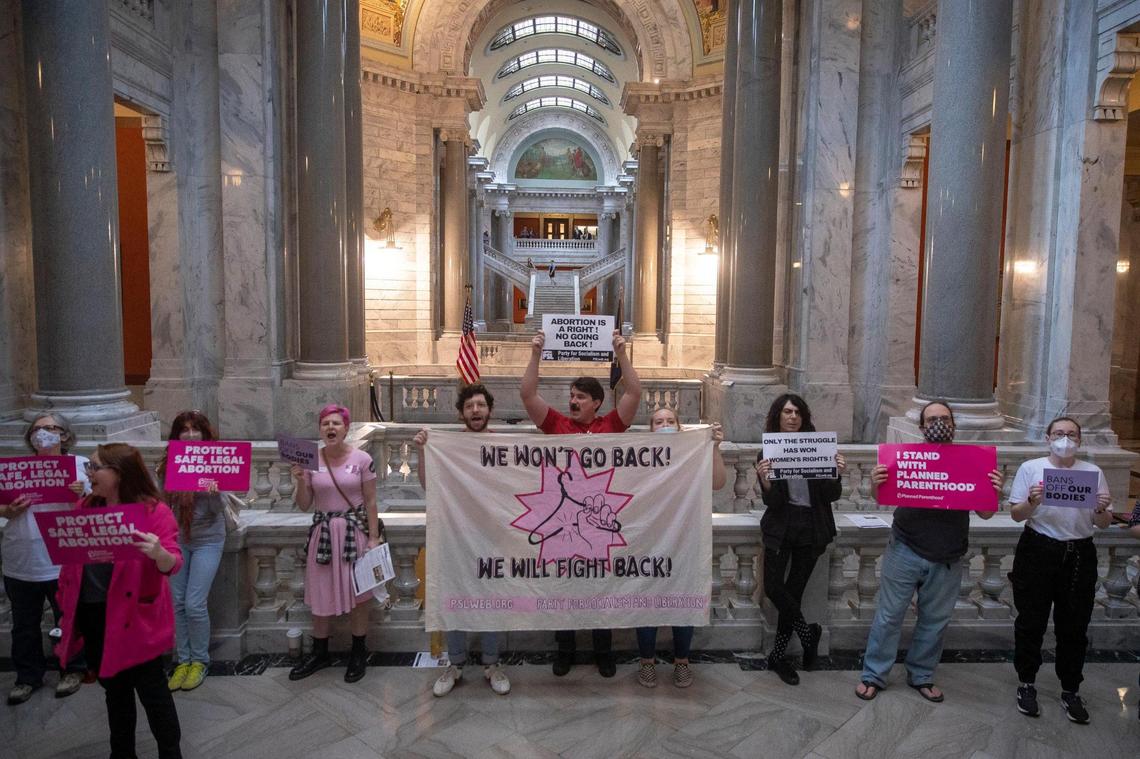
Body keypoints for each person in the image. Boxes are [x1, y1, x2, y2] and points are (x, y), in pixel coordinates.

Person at [856, 400, 1003, 703]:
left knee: (935, 621)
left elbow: (986, 514)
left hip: (948, 554)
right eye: (932, 419)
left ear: (953, 424)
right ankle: (873, 674)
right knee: (888, 616)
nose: (939, 423)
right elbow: (882, 497)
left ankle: (922, 674)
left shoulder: (971, 461)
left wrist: (994, 492)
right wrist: (875, 483)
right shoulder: (905, 458)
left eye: (945, 418)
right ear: (922, 427)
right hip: (905, 547)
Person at [521, 328, 641, 677]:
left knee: (600, 586)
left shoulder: (612, 425)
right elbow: (528, 394)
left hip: (599, 523)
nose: (573, 402)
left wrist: (621, 353)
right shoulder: (555, 423)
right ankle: (566, 649)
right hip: (563, 526)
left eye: (580, 398)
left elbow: (634, 392)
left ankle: (603, 651)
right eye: (571, 396)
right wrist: (535, 353)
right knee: (565, 586)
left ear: (597, 403)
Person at [55, 443, 183, 758]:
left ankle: (170, 752)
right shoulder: (85, 507)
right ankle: (121, 753)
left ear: (119, 473)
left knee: (153, 694)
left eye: (95, 467)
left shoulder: (155, 512)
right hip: (96, 616)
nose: (89, 473)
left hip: (136, 620)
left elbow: (174, 563)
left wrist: (158, 553)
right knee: (115, 692)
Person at [1008, 416, 1112, 724]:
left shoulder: (1092, 473)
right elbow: (1016, 515)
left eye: (1071, 434)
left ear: (1080, 440)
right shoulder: (1031, 468)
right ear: (1047, 437)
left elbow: (1102, 523)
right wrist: (1032, 501)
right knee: (1031, 621)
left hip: (1079, 553)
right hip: (1039, 548)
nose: (1064, 439)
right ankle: (1026, 683)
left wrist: (1102, 509)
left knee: (1075, 625)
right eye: (1059, 433)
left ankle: (1071, 689)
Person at [414, 383, 510, 697]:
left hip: (492, 539)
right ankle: (454, 663)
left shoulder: (503, 447)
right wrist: (422, 450)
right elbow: (431, 487)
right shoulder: (449, 446)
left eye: (481, 405)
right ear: (461, 413)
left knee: (492, 602)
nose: (476, 411)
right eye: (469, 407)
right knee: (453, 598)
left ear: (490, 411)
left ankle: (492, 664)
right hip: (455, 536)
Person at [754, 394, 846, 686]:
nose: (792, 417)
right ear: (777, 417)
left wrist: (836, 474)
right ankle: (809, 635)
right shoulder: (767, 452)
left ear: (803, 417)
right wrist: (765, 480)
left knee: (792, 594)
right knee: (773, 588)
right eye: (786, 412)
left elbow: (831, 496)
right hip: (781, 526)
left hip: (812, 527)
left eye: (797, 412)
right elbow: (773, 500)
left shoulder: (819, 449)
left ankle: (779, 656)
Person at [288, 404, 382, 683]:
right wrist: (299, 481)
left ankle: (357, 652)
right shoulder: (309, 461)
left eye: (336, 424)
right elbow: (304, 505)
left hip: (354, 533)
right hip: (324, 534)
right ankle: (320, 652)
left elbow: (371, 500)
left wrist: (374, 537)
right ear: (320, 429)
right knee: (320, 590)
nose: (330, 428)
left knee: (358, 595)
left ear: (346, 428)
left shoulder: (362, 459)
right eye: (325, 424)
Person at [635, 407, 727, 689]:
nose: (664, 424)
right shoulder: (638, 458)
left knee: (683, 598)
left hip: (685, 538)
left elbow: (718, 482)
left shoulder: (691, 454)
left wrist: (713, 446)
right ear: (651, 429)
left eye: (670, 421)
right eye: (658, 421)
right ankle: (647, 662)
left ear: (679, 426)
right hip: (650, 540)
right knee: (647, 601)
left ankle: (682, 662)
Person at [2, 413, 87, 705]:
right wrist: (6, 511)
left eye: (50, 428)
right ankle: (27, 677)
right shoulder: (14, 469)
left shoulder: (79, 465)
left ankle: (72, 669)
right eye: (37, 429)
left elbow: (98, 508)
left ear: (64, 435)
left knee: (69, 618)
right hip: (22, 555)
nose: (43, 433)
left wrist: (82, 495)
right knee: (24, 623)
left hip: (62, 557)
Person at [156, 411, 230, 692]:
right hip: (177, 539)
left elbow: (217, 511)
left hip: (208, 539)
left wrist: (213, 494)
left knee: (194, 602)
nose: (190, 435)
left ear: (204, 433)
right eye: (184, 430)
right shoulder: (168, 464)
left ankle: (200, 660)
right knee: (177, 602)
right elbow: (161, 505)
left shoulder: (216, 461)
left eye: (195, 429)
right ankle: (182, 660)